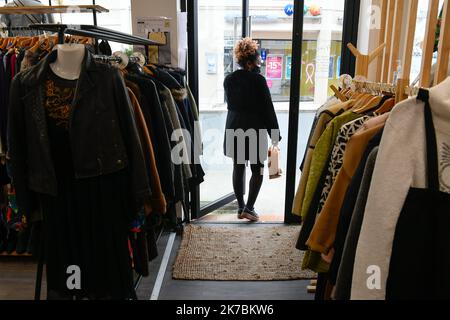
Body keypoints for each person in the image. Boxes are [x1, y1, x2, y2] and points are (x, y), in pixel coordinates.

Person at [223, 38, 281, 222]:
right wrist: (275, 134)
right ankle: (250, 207)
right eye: (257, 59)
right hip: (254, 127)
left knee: (238, 167)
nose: (260, 62)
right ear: (250, 61)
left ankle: (240, 207)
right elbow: (267, 108)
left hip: (234, 125)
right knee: (258, 169)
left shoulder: (229, 80)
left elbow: (231, 105)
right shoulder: (258, 80)